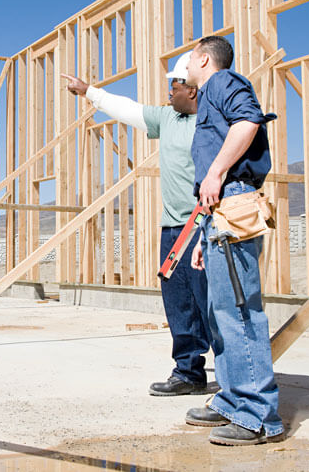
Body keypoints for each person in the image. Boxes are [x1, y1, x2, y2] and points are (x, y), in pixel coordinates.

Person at [61, 52, 213, 397]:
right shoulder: (167, 118)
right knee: (179, 303)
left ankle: (234, 378)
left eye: (173, 86)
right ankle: (189, 371)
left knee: (212, 302)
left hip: (204, 226)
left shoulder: (212, 120)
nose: (167, 93)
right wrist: (88, 92)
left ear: (190, 90)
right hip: (173, 228)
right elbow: (127, 108)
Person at [184, 36, 284, 445]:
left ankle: (257, 416)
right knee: (219, 312)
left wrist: (216, 173)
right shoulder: (209, 95)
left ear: (204, 58)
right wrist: (201, 238)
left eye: (189, 60)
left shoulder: (222, 82)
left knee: (239, 312)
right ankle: (230, 401)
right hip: (219, 214)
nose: (186, 69)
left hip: (234, 203)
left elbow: (248, 122)